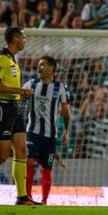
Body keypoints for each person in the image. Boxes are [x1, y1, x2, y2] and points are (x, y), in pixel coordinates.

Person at [23, 56, 71, 205]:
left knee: (47, 167)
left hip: (50, 134)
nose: (39, 67)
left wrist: (66, 131)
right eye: (38, 65)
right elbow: (17, 100)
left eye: (43, 65)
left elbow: (66, 112)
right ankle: (27, 197)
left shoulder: (61, 87)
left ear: (52, 68)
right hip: (33, 131)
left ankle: (44, 200)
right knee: (29, 160)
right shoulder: (30, 84)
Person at [0, 26, 38, 205]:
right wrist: (20, 90)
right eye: (23, 37)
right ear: (15, 39)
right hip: (3, 108)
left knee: (22, 150)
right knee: (2, 155)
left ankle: (22, 197)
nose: (25, 40)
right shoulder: (2, 58)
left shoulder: (12, 60)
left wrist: (19, 94)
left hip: (15, 108)